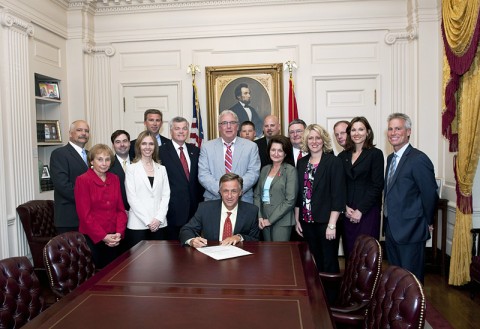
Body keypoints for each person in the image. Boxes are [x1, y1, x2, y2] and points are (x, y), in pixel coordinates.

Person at [383, 113, 438, 283]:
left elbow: (430, 194)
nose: (393, 132)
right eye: (390, 129)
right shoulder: (391, 158)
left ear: (408, 132)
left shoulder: (418, 159)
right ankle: (399, 310)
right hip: (392, 230)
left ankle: (415, 310)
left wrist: (427, 222)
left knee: (411, 281)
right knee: (396, 279)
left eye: (398, 128)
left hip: (411, 230)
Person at [295, 124, 345, 275]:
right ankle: (318, 296)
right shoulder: (302, 163)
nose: (314, 141)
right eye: (310, 138)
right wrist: (297, 219)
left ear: (323, 140)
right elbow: (300, 194)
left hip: (326, 222)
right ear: (306, 140)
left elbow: (338, 195)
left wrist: (332, 224)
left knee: (329, 262)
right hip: (307, 222)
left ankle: (331, 298)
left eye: (318, 138)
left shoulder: (333, 162)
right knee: (313, 261)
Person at [74, 144, 127, 268]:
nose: (104, 163)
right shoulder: (83, 180)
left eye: (107, 159)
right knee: (98, 278)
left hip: (114, 237)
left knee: (115, 273)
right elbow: (84, 215)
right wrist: (103, 236)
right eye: (100, 159)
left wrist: (119, 232)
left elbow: (120, 209)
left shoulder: (114, 179)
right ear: (91, 161)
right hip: (93, 238)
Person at [338, 117, 384, 258]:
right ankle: (350, 281)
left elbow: (377, 185)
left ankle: (368, 282)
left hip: (367, 212)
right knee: (350, 253)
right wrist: (344, 207)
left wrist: (360, 211)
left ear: (368, 132)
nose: (356, 133)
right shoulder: (342, 156)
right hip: (348, 212)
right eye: (353, 130)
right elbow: (339, 185)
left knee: (366, 255)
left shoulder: (375, 154)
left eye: (361, 129)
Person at [180, 173, 259, 247]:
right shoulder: (205, 208)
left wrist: (239, 237)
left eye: (234, 191)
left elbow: (255, 239)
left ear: (240, 192)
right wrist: (192, 241)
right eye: (225, 191)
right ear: (220, 192)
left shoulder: (251, 211)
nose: (229, 196)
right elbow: (186, 230)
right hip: (211, 256)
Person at [198, 110, 260, 203]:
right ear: (219, 127)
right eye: (224, 123)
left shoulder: (251, 147)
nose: (228, 126)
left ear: (237, 126)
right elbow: (203, 174)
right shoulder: (207, 147)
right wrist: (222, 191)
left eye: (232, 122)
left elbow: (253, 173)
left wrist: (236, 191)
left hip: (242, 200)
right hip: (214, 199)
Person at [159, 117, 204, 240]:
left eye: (184, 128)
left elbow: (198, 180)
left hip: (194, 211)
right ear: (170, 131)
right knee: (174, 252)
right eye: (177, 128)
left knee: (194, 251)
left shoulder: (195, 151)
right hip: (172, 212)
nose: (181, 131)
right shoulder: (160, 152)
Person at [125, 131, 170, 249]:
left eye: (151, 144)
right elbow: (132, 198)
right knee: (139, 265)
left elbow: (166, 196)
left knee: (160, 263)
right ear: (139, 146)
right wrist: (148, 221)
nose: (147, 147)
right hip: (138, 225)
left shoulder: (162, 169)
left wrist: (158, 219)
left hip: (160, 224)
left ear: (155, 147)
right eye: (144, 144)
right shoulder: (131, 169)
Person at [254, 135, 298, 241]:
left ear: (285, 153)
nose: (276, 154)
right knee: (267, 254)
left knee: (279, 254)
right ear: (269, 151)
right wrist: (260, 216)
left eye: (280, 151)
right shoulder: (265, 169)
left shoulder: (290, 170)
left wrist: (270, 220)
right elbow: (257, 195)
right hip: (264, 219)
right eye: (273, 150)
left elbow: (290, 200)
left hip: (282, 220)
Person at [50, 120, 90, 233]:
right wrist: (89, 199)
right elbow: (63, 185)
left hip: (89, 218)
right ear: (70, 133)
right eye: (79, 130)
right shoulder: (59, 154)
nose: (83, 133)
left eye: (86, 131)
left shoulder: (91, 154)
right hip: (69, 218)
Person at [109, 129, 131, 211]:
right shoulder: (108, 166)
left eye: (125, 141)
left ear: (129, 143)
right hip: (118, 213)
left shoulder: (139, 163)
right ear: (113, 145)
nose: (122, 144)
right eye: (117, 142)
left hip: (140, 214)